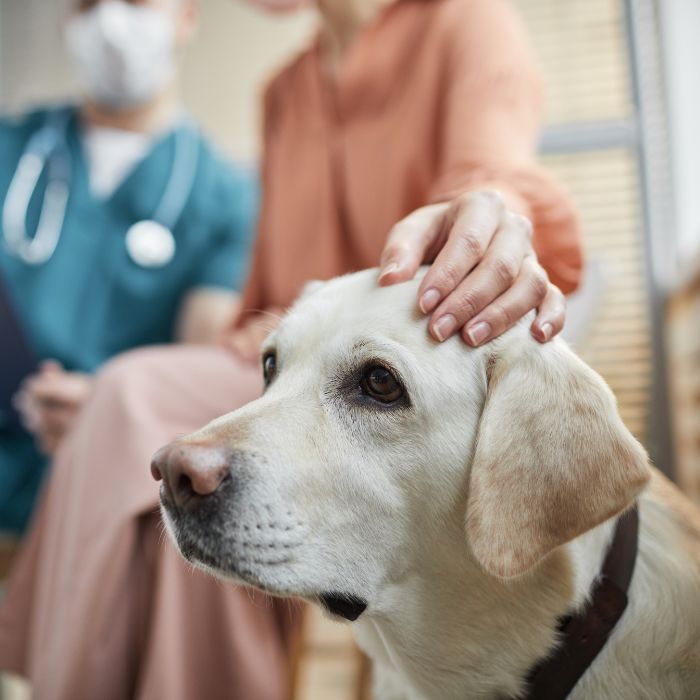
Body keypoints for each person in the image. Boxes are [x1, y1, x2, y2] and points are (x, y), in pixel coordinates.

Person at [0, 0, 583, 698]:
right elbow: (269, 304)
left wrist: (487, 215)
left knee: (135, 399)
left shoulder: (463, 22)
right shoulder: (283, 92)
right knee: (152, 426)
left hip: (407, 376)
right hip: (286, 368)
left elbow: (492, 174)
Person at [0, 0, 255, 533]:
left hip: (108, 483)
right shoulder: (11, 149)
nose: (110, 22)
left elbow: (191, 375)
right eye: (88, 4)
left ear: (187, 17)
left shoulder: (225, 197)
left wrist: (111, 409)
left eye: (137, 2)